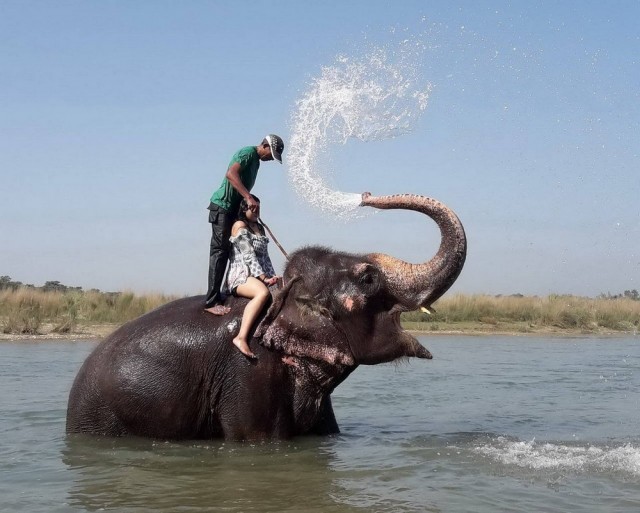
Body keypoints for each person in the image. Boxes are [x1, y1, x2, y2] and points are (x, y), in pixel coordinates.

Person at [205, 134, 284, 315]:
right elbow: (231, 174)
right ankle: (211, 301)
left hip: (232, 209)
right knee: (219, 251)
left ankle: (227, 288)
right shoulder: (248, 152)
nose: (271, 159)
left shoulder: (256, 162)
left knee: (233, 250)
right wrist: (248, 197)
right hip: (222, 206)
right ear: (264, 146)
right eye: (271, 154)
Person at [224, 195, 279, 358]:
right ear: (243, 208)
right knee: (262, 293)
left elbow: (265, 257)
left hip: (258, 275)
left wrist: (272, 277)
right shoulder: (240, 225)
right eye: (253, 208)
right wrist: (263, 278)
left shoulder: (260, 228)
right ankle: (241, 337)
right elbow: (248, 255)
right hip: (242, 274)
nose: (256, 211)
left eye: (258, 208)